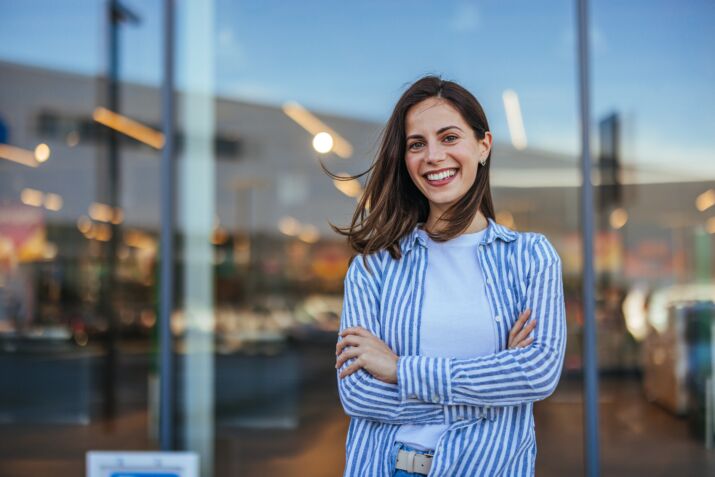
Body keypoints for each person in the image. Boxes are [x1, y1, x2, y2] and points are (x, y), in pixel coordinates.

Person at [331, 76, 567, 476]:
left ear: (483, 146)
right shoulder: (374, 267)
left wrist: (400, 370)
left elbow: (537, 372)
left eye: (449, 137)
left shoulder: (531, 257)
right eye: (417, 144)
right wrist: (496, 383)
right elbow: (357, 394)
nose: (433, 156)